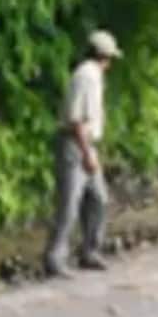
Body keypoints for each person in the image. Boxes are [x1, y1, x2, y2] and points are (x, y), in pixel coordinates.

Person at [45, 30, 121, 276]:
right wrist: (87, 153)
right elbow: (76, 119)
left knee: (98, 197)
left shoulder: (93, 75)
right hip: (76, 144)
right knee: (70, 202)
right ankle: (56, 257)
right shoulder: (86, 76)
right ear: (105, 56)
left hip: (86, 143)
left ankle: (90, 250)